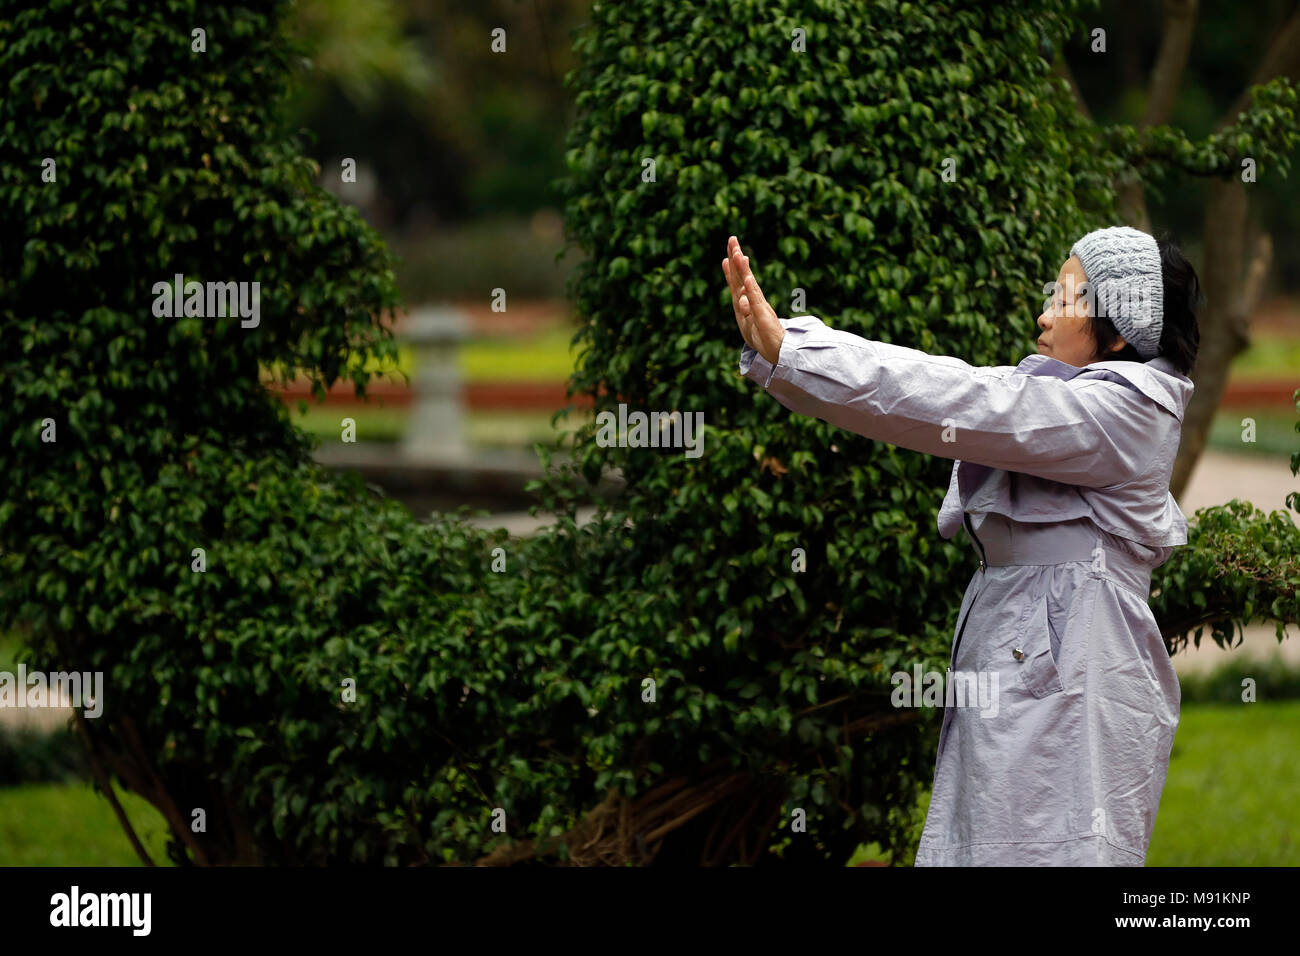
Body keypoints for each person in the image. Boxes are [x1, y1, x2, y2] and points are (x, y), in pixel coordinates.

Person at [724, 226, 1202, 865]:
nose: (1043, 315)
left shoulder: (1125, 414)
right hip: (1034, 663)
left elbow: (964, 398)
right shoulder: (1081, 401)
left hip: (1078, 678)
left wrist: (798, 351)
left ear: (1118, 332)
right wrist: (789, 355)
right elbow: (962, 395)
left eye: (1064, 300)